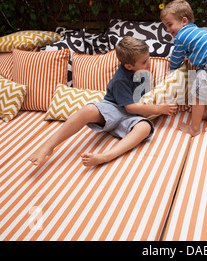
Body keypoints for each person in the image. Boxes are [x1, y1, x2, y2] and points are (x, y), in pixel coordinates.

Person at [28, 36, 178, 167]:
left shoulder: (142, 70)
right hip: (114, 109)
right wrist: (159, 109)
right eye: (145, 61)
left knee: (144, 128)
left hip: (130, 118)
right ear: (128, 66)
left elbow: (141, 101)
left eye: (148, 58)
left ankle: (105, 156)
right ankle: (48, 146)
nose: (149, 62)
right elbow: (131, 107)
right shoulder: (121, 79)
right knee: (88, 110)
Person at [160, 0, 207, 136]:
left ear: (184, 21)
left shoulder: (181, 36)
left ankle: (194, 129)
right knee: (201, 79)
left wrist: (172, 69)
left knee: (197, 92)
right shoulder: (197, 31)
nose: (168, 29)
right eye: (166, 26)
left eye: (170, 25)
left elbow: (177, 57)